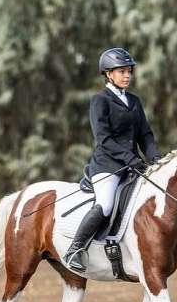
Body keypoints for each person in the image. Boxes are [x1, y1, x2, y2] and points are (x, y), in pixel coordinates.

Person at [63, 47, 161, 272]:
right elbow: (103, 139)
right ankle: (75, 249)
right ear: (108, 74)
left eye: (129, 71)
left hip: (133, 165)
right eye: (121, 72)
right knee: (106, 204)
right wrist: (129, 157)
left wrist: (154, 157)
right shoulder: (100, 100)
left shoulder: (134, 101)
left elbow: (145, 134)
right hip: (107, 166)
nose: (127, 75)